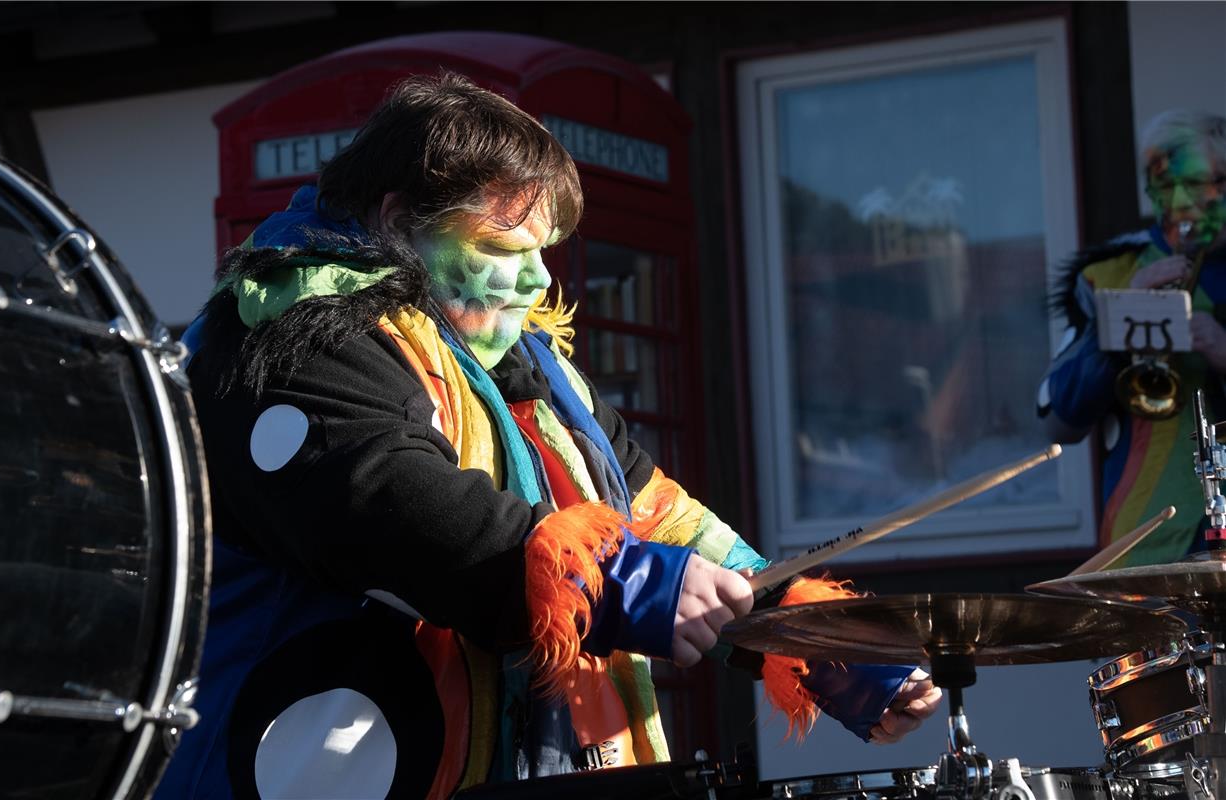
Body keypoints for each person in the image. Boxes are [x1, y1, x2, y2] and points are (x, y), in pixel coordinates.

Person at [156, 72, 940, 800]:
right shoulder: (287, 331)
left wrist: (809, 633)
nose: (537, 282)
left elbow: (656, 513)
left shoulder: (524, 360)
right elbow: (394, 508)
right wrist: (625, 582)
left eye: (544, 251)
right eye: (505, 249)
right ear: (397, 223)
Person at [1039, 109, 1226, 566]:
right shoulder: (1112, 273)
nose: (1182, 201)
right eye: (1165, 185)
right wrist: (1117, 324)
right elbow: (1054, 418)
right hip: (1141, 549)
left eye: (1200, 183)